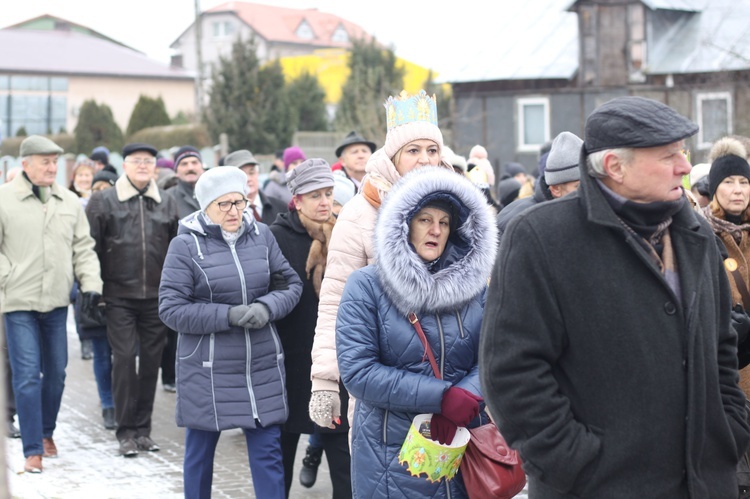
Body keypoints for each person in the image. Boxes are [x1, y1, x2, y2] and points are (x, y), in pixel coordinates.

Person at [480, 96, 750, 497]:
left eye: (683, 152)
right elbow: (511, 373)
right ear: (614, 166)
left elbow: (721, 348)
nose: (684, 166)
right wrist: (577, 463)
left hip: (704, 483)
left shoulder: (695, 235)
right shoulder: (541, 237)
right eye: (668, 155)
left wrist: (729, 431)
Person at [336, 166, 497, 497]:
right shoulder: (366, 285)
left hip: (462, 450)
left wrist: (466, 396)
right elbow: (359, 371)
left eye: (444, 222)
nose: (435, 230)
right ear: (404, 223)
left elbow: (495, 355)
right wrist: (440, 397)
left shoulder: (476, 290)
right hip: (391, 456)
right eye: (425, 219)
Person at [309, 90, 453, 437]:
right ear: (393, 157)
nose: (424, 160)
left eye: (432, 150)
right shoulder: (361, 213)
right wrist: (325, 379)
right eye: (413, 151)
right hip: (385, 382)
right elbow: (335, 301)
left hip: (453, 378)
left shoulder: (458, 207)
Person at [158, 166, 302, 499]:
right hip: (208, 369)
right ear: (205, 207)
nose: (234, 211)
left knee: (268, 455)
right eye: (224, 204)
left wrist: (267, 307)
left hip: (259, 365)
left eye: (239, 201)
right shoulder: (185, 246)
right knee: (200, 455)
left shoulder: (262, 236)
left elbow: (290, 284)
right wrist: (227, 315)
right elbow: (171, 309)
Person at [0, 135, 103, 473]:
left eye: (55, 161)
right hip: (18, 303)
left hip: (57, 302)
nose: (51, 167)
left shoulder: (69, 202)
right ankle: (33, 450)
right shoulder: (4, 200)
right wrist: (8, 276)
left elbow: (83, 248)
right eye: (44, 161)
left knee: (56, 374)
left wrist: (91, 285)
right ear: (25, 164)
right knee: (27, 375)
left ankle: (46, 433)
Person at [86, 142, 179, 458]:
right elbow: (91, 249)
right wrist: (94, 291)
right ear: (124, 165)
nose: (143, 165)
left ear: (156, 166)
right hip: (118, 296)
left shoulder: (167, 202)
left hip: (156, 298)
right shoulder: (103, 201)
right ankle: (125, 431)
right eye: (136, 160)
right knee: (124, 360)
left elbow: (176, 252)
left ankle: (144, 430)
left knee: (151, 364)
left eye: (149, 161)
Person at [269, 159, 352, 498]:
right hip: (288, 359)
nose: (324, 202)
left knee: (342, 457)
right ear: (297, 200)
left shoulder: (344, 234)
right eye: (315, 194)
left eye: (329, 194)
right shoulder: (275, 236)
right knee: (281, 453)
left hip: (332, 360)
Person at [701, 137, 750, 386]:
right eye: (728, 182)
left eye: (744, 181)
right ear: (714, 189)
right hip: (729, 375)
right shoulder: (701, 237)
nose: (738, 189)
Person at [160, 146, 206, 394]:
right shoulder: (169, 198)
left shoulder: (212, 194)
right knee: (176, 330)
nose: (190, 167)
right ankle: (172, 375)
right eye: (184, 163)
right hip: (181, 271)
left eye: (194, 163)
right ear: (176, 170)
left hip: (210, 271)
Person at [496, 131, 583, 242]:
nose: (589, 192)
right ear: (556, 189)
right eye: (579, 187)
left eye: (591, 183)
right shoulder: (519, 224)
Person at [224, 149, 288, 225]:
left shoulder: (280, 207)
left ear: (257, 174)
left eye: (251, 173)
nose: (248, 179)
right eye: (241, 175)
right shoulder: (227, 215)